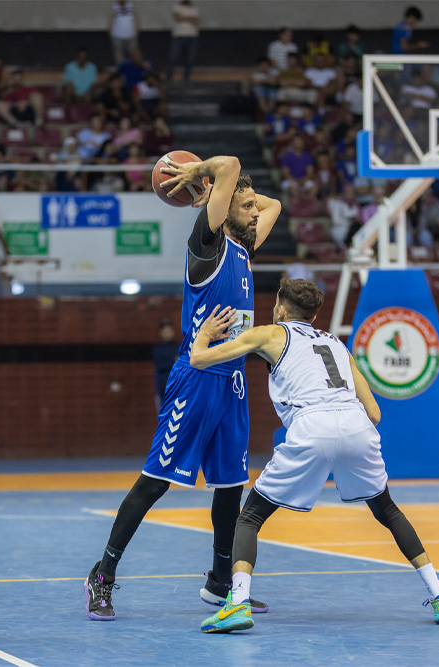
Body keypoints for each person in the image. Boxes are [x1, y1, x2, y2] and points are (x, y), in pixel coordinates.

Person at [189, 279, 439, 633]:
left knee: (250, 517)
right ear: (315, 315)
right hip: (356, 425)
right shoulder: (337, 345)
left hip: (311, 425)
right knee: (388, 511)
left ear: (281, 309)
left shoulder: (270, 334)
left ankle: (237, 604)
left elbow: (199, 359)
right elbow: (375, 413)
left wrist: (203, 333)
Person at [83, 156, 282, 621]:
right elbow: (232, 164)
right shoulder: (206, 245)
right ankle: (102, 574)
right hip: (196, 380)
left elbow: (272, 204)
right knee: (156, 482)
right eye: (245, 205)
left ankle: (219, 583)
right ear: (219, 203)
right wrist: (202, 178)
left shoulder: (244, 248)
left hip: (232, 381)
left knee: (231, 487)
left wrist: (241, 196)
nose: (256, 212)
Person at [168, 0, 199, 82]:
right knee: (173, 58)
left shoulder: (194, 8)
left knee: (189, 59)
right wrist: (190, 18)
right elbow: (178, 18)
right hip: (179, 36)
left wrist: (184, 17)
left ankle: (186, 78)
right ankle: (169, 77)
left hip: (191, 36)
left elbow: (196, 21)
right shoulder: (177, 7)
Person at [152, 319, 179, 413]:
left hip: (178, 386)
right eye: (165, 331)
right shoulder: (157, 349)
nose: (167, 333)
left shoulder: (178, 347)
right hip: (163, 386)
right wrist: (174, 361)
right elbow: (160, 366)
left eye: (169, 330)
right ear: (160, 333)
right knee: (164, 414)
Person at [109, 0, 139, 65]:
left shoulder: (131, 6)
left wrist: (137, 29)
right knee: (119, 56)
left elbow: (136, 17)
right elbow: (111, 19)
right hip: (117, 36)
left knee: (133, 54)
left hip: (131, 35)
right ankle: (121, 70)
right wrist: (111, 32)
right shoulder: (114, 7)